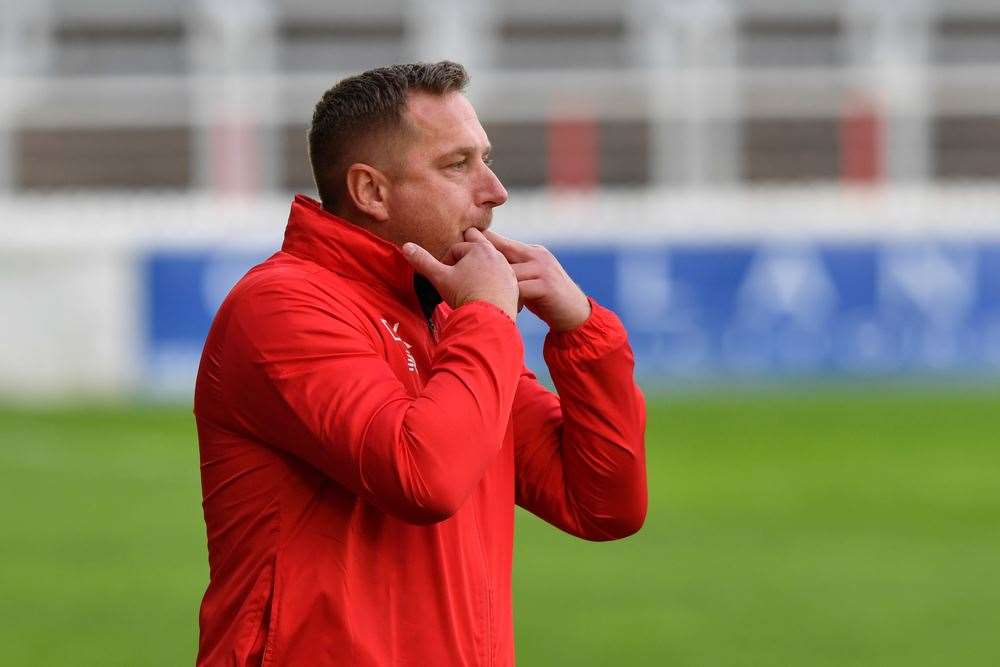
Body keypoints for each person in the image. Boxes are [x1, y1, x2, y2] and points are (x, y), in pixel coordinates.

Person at [194, 61, 647, 666]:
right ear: (371, 191)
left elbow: (603, 504)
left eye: (485, 159)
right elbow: (423, 477)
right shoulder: (282, 307)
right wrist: (486, 313)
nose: (495, 190)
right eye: (457, 165)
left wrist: (582, 331)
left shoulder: (445, 322)